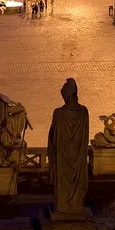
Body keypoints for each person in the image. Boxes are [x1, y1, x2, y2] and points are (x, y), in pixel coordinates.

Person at [48, 78, 89, 216]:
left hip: (62, 158)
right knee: (76, 186)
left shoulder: (59, 113)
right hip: (78, 159)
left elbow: (53, 138)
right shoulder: (84, 112)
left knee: (62, 185)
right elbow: (84, 136)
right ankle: (76, 207)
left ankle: (63, 207)